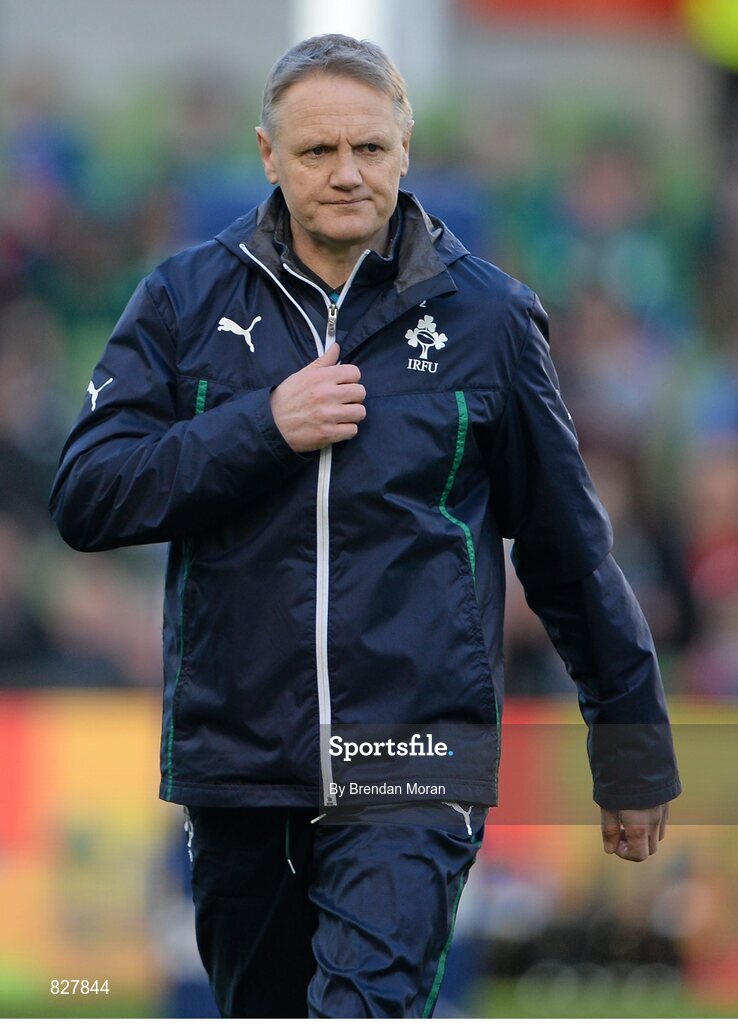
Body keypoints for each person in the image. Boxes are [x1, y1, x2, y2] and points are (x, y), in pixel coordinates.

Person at [49, 34, 681, 1019]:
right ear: (267, 154)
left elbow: (567, 549)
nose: (347, 173)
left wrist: (631, 743)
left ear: (405, 147)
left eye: (370, 150)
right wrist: (262, 426)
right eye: (316, 152)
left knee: (363, 1007)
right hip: (241, 756)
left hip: (416, 751)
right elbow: (87, 493)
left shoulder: (490, 320)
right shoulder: (181, 301)